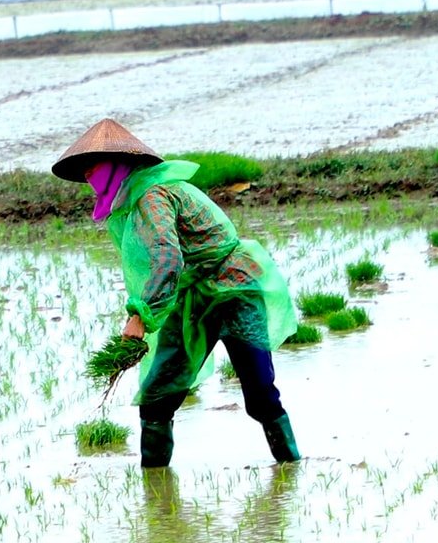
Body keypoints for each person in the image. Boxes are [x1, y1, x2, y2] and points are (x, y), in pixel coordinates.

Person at [52, 118, 301, 468]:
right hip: (194, 298)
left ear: (119, 164)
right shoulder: (137, 197)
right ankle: (154, 488)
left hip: (233, 290)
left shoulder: (152, 196)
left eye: (95, 165)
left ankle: (290, 468)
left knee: (260, 394)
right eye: (86, 169)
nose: (90, 175)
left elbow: (168, 258)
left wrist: (140, 317)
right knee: (156, 399)